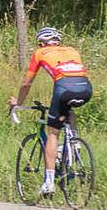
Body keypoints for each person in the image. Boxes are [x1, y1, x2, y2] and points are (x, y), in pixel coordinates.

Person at [10, 27, 92, 197]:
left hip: (63, 88)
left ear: (41, 43)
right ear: (58, 40)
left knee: (53, 133)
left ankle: (48, 183)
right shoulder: (72, 50)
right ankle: (74, 143)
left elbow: (26, 84)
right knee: (67, 109)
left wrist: (17, 103)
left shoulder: (40, 53)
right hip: (85, 88)